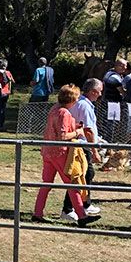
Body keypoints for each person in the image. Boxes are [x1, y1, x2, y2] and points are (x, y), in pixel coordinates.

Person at [33, 84, 99, 226]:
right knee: (72, 183)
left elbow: (56, 128)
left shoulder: (54, 109)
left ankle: (37, 213)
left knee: (46, 184)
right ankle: (82, 216)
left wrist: (74, 126)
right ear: (73, 99)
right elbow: (62, 136)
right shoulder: (64, 113)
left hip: (47, 151)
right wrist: (78, 133)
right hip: (59, 153)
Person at [63, 78, 103, 219]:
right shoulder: (84, 106)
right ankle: (69, 208)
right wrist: (94, 150)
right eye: (99, 92)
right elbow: (88, 129)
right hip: (83, 145)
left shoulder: (81, 103)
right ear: (92, 91)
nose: (100, 94)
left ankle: (84, 204)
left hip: (80, 144)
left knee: (86, 175)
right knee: (82, 175)